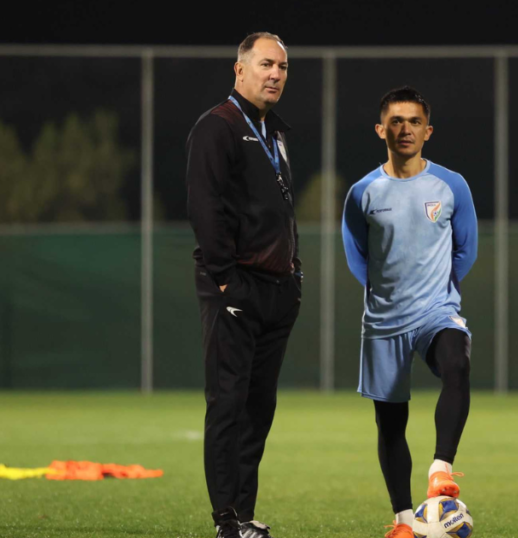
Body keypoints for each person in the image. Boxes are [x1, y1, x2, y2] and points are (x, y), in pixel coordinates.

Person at [341, 86, 478, 538]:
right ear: (381, 129)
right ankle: (403, 522)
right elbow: (357, 254)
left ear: (428, 131)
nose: (405, 129)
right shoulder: (363, 191)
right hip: (383, 320)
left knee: (457, 362)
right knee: (390, 421)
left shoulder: (451, 184)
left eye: (414, 121)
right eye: (396, 121)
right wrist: (387, 293)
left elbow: (466, 250)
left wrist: (434, 290)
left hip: (437, 310)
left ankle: (441, 469)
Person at [185, 32, 302, 538]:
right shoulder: (219, 126)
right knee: (228, 404)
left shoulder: (273, 131)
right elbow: (205, 208)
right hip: (236, 287)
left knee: (259, 408)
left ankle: (244, 513)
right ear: (239, 70)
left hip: (277, 289)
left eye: (281, 67)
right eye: (265, 65)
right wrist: (226, 280)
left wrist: (293, 276)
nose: (275, 74)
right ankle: (224, 520)